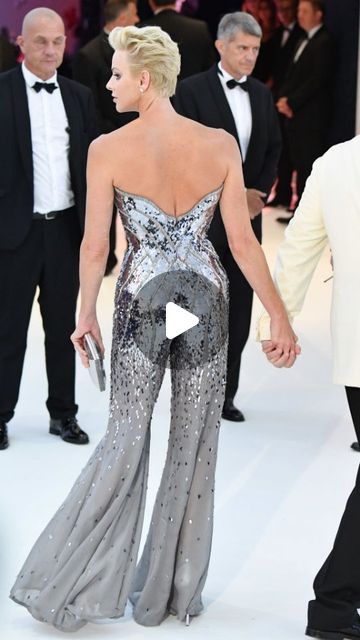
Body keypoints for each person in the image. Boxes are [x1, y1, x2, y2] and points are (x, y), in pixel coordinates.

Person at [10, 24, 297, 631]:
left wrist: (84, 310)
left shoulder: (108, 149)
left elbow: (94, 248)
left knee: (124, 439)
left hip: (144, 303)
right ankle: (172, 592)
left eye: (115, 74)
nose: (108, 84)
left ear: (144, 79)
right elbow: (243, 243)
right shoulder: (218, 142)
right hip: (205, 302)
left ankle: (76, 584)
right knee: (194, 443)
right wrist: (278, 313)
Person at [258, 135, 360, 639]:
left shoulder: (335, 162)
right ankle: (334, 601)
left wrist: (278, 323)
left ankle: (336, 602)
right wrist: (277, 323)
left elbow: (298, 251)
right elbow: (298, 249)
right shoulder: (337, 162)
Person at [175, 12, 282, 422]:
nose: (250, 57)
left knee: (238, 308)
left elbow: (273, 148)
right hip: (199, 223)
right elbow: (179, 152)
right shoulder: (189, 91)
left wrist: (259, 194)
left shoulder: (261, 94)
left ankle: (225, 395)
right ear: (221, 46)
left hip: (246, 222)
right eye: (242, 48)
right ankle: (186, 391)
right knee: (191, 305)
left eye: (255, 50)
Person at [0, 8, 98, 451]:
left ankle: (64, 414)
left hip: (64, 233)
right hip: (13, 236)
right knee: (7, 330)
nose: (51, 50)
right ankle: (0, 415)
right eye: (41, 41)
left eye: (58, 41)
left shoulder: (78, 97)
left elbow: (92, 170)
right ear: (21, 43)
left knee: (64, 329)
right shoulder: (0, 93)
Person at [73, 0, 139, 277]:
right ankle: (107, 258)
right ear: (123, 17)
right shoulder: (88, 55)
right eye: (134, 15)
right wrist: (116, 138)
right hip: (108, 140)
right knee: (105, 201)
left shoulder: (137, 53)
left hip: (139, 139)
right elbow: (89, 109)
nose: (137, 19)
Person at [276, 0, 334, 223]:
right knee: (299, 164)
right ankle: (299, 211)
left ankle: (307, 215)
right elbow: (292, 75)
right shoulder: (303, 39)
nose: (299, 15)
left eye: (304, 11)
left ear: (318, 14)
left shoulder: (325, 41)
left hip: (311, 117)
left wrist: (292, 102)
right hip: (297, 116)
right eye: (298, 11)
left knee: (308, 166)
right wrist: (283, 98)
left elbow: (317, 80)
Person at [266, 0, 305, 213]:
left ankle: (293, 198)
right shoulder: (277, 34)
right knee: (280, 149)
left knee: (294, 151)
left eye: (289, 10)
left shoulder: (303, 35)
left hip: (294, 102)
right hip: (278, 99)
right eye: (281, 10)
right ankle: (281, 194)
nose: (284, 14)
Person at [139, 0, 216, 79]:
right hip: (194, 90)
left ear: (151, 2)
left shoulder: (141, 31)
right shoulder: (199, 28)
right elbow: (210, 69)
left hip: (157, 89)